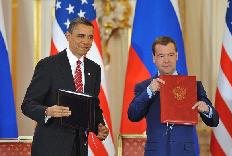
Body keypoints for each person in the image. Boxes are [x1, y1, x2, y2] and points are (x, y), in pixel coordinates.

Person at [21, 17, 109, 156]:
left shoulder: (94, 68)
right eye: (81, 36)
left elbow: (93, 105)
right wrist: (47, 111)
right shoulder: (48, 65)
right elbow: (27, 105)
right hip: (50, 147)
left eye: (90, 37)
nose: (86, 41)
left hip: (80, 147)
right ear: (68, 36)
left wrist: (99, 125)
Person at [128, 36, 219, 156]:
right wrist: (150, 91)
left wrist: (207, 109)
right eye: (161, 56)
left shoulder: (193, 85)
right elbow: (133, 115)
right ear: (154, 58)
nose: (166, 60)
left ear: (177, 56)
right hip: (156, 152)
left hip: (185, 152)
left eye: (170, 55)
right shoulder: (144, 87)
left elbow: (214, 121)